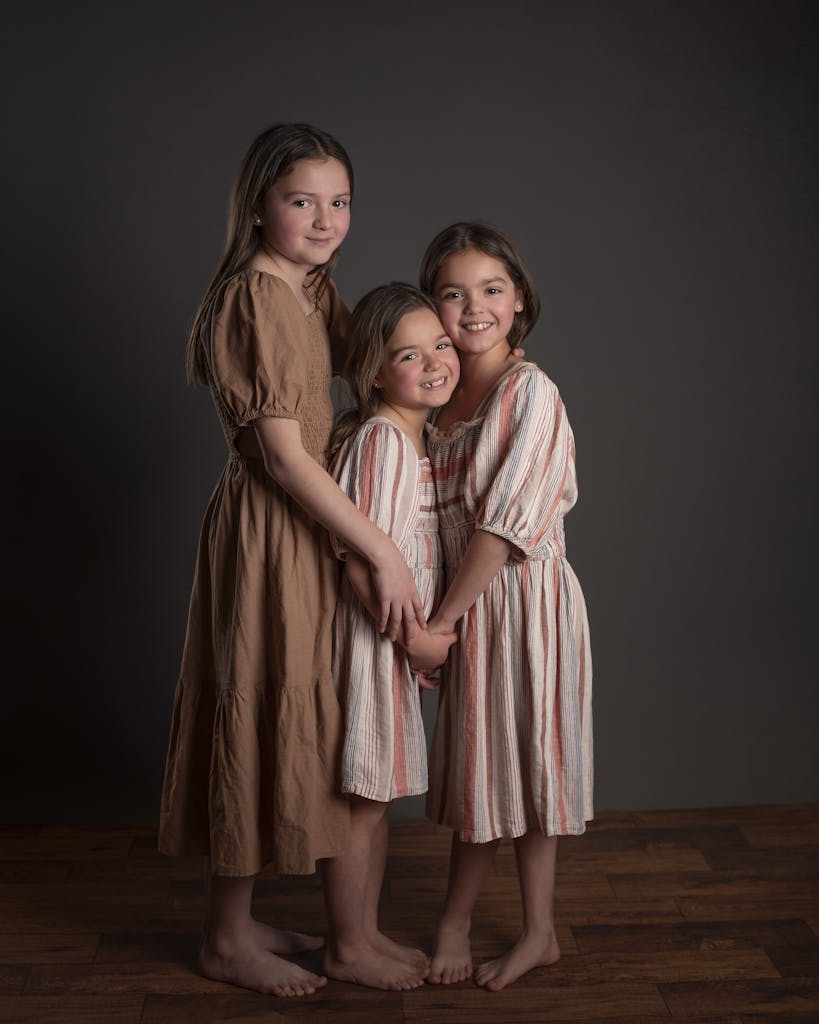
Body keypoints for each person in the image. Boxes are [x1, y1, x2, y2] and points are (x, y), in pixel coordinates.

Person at [158, 124, 425, 998]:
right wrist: (381, 549)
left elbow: (378, 363)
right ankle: (223, 941)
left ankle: (240, 923)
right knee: (257, 702)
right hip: (273, 530)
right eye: (301, 201)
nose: (323, 220)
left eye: (338, 202)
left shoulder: (311, 290)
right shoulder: (257, 296)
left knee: (290, 710)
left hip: (307, 528)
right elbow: (282, 457)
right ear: (258, 207)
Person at [418, 222, 593, 990]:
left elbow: (501, 529)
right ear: (431, 305)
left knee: (530, 766)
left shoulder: (530, 392)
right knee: (478, 774)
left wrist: (440, 623)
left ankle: (536, 931)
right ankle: (456, 922)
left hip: (524, 602)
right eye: (452, 294)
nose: (474, 308)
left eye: (490, 289)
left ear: (518, 298)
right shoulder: (438, 399)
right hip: (467, 608)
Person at [322, 283, 459, 989]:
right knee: (361, 803)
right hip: (368, 647)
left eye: (441, 345)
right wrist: (414, 644)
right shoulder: (381, 442)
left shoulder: (412, 439)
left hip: (390, 648)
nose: (435, 363)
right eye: (410, 355)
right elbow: (359, 560)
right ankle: (346, 946)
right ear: (375, 373)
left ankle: (364, 931)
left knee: (374, 803)